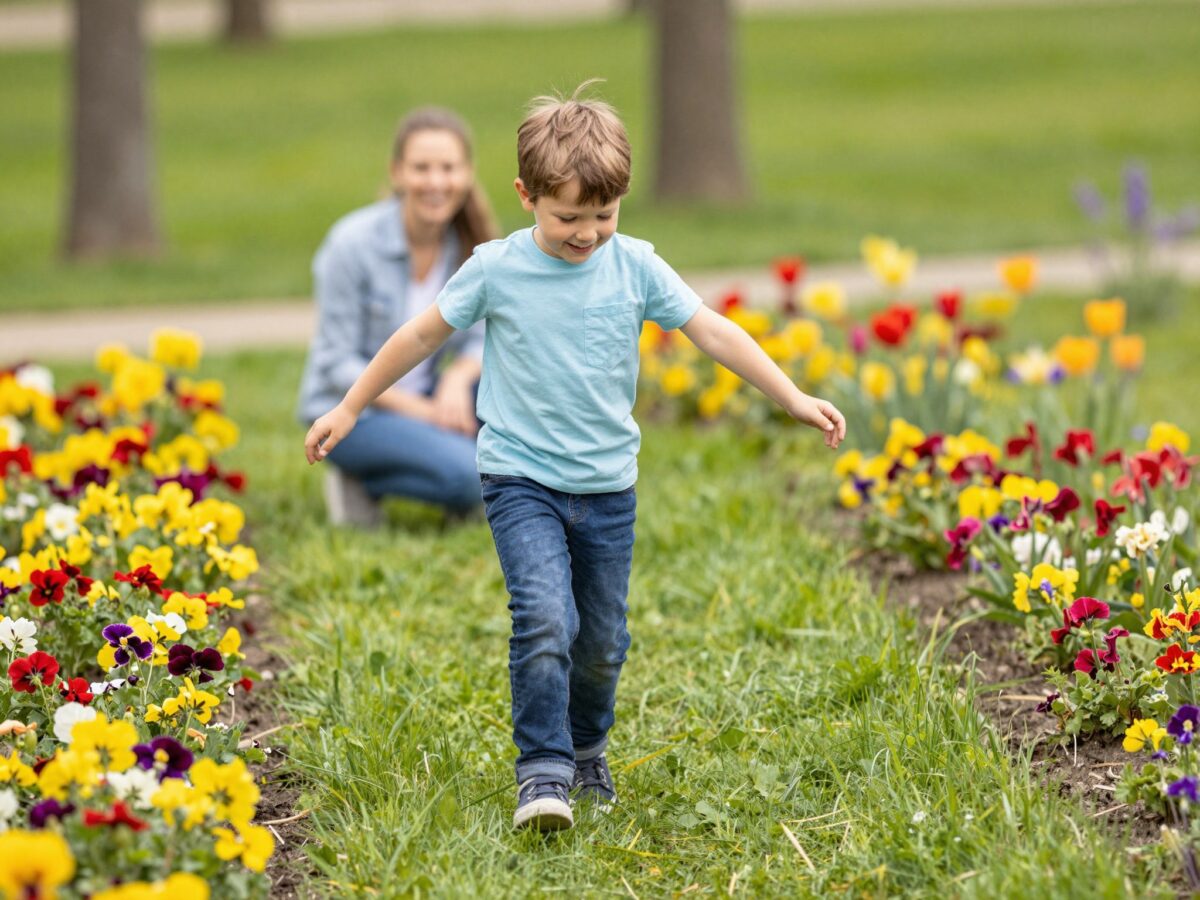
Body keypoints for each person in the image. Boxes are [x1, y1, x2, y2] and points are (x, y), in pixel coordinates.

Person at [304, 84, 846, 831]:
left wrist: (791, 396)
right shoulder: (496, 268)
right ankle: (543, 772)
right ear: (526, 197)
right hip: (519, 476)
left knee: (601, 643)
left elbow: (714, 332)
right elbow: (417, 337)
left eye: (603, 214)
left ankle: (587, 749)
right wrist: (351, 404)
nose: (587, 233)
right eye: (568, 217)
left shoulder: (636, 266)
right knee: (543, 618)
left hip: (606, 488)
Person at [296, 107, 499, 526]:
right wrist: (427, 414)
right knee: (474, 474)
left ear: (468, 173)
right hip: (357, 412)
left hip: (431, 397)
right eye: (421, 168)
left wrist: (458, 380)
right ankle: (361, 479)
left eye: (448, 168)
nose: (436, 182)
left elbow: (483, 338)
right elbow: (336, 363)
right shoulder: (351, 245)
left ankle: (449, 469)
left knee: (517, 438)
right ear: (397, 173)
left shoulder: (467, 246)